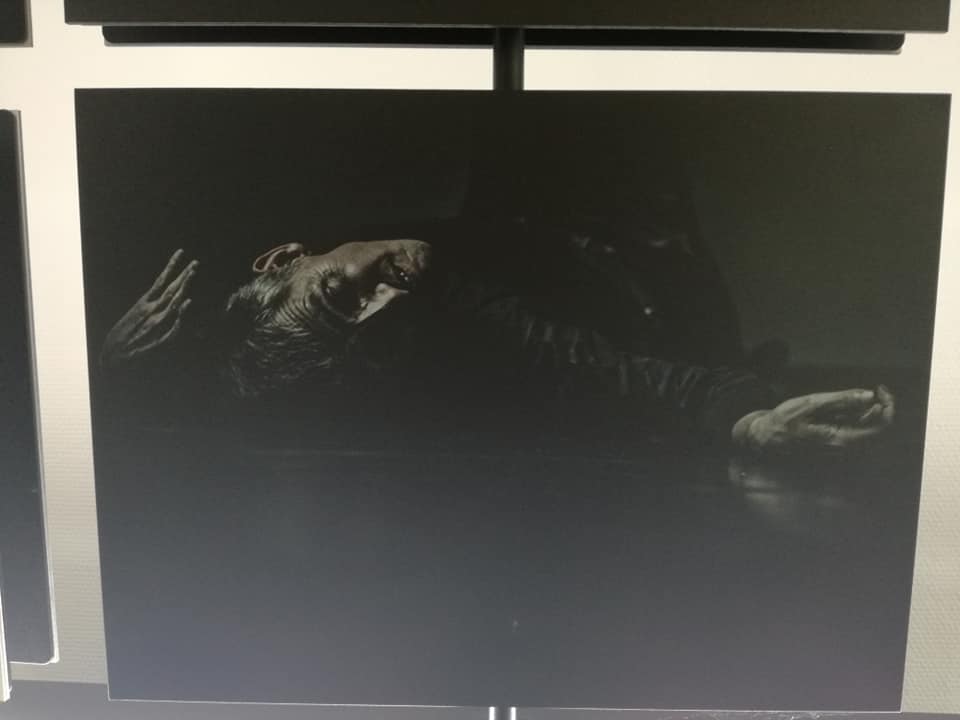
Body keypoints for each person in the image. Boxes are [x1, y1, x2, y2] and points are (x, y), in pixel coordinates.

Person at [101, 236, 895, 456]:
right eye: (367, 317)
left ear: (283, 256)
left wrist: (97, 368)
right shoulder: (461, 324)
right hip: (656, 287)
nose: (386, 296)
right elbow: (617, 369)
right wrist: (751, 421)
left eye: (342, 289)